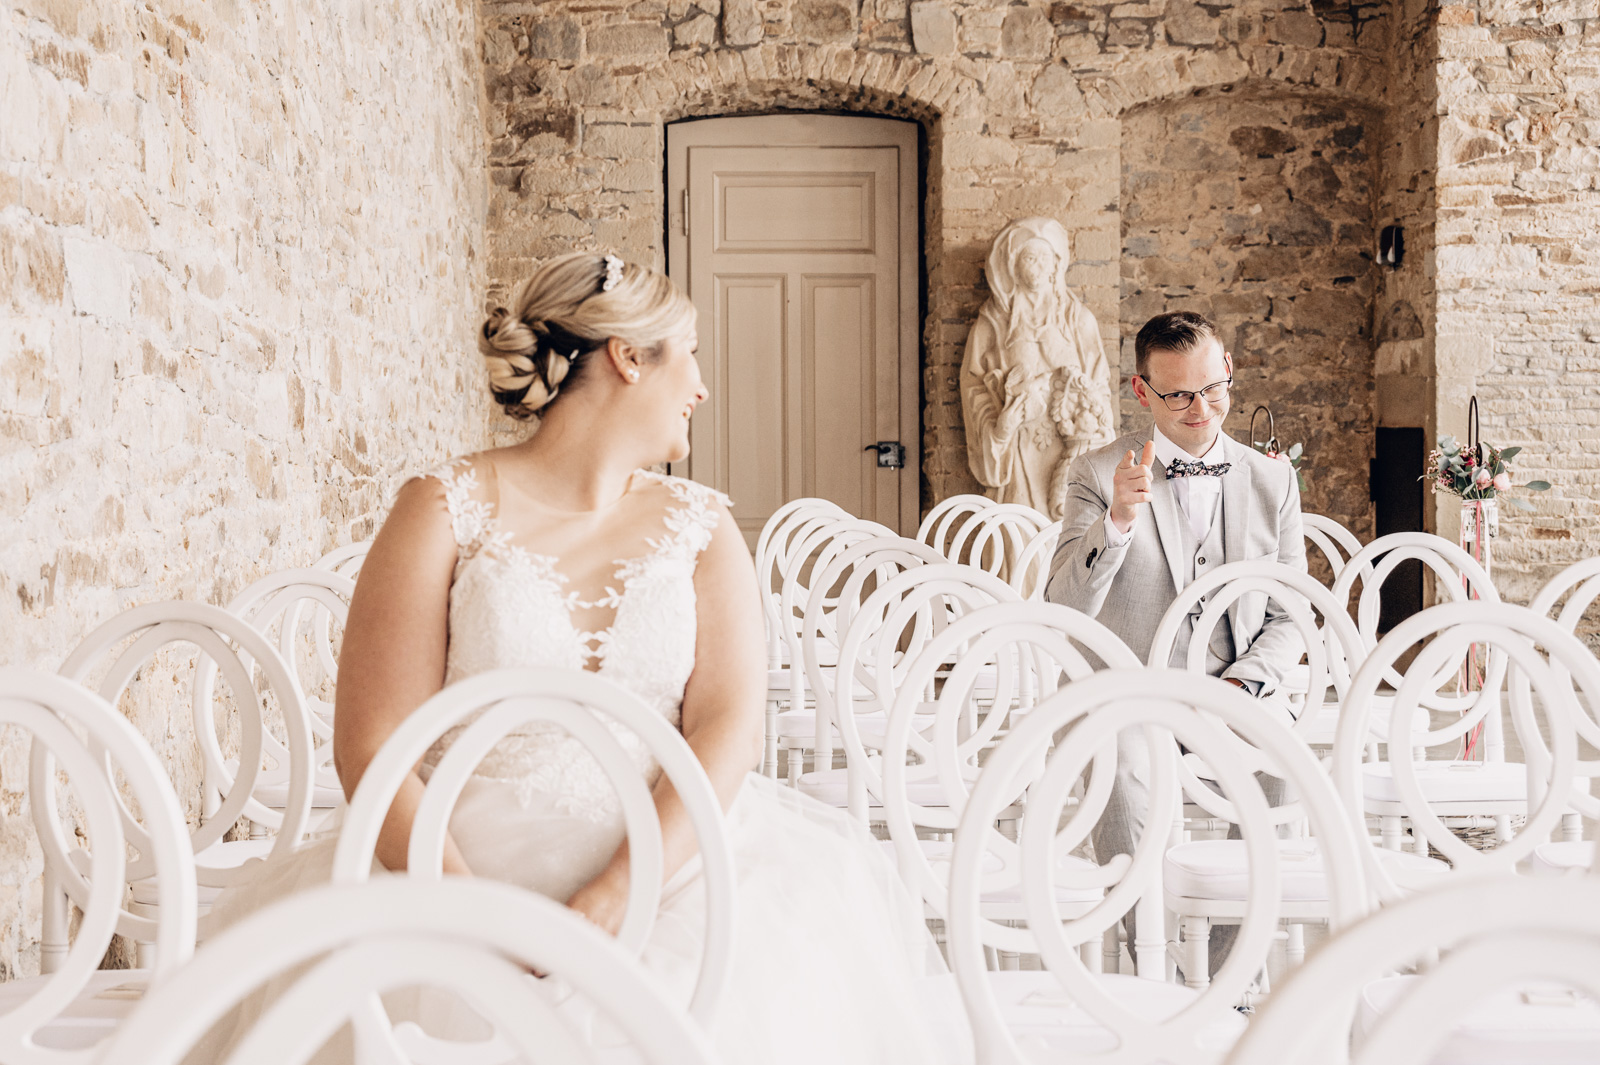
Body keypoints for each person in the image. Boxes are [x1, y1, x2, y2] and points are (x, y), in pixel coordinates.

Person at [210, 252, 947, 1064]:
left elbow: (727, 727)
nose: (701, 384)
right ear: (630, 357)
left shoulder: (703, 528)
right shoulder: (440, 508)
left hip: (677, 872)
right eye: (690, 351)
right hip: (452, 875)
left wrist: (623, 886)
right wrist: (468, 911)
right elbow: (374, 743)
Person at [1043, 310, 1306, 972]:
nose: (1201, 407)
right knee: (1126, 772)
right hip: (1127, 690)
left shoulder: (1272, 479)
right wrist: (1119, 520)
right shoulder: (1097, 471)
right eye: (1179, 393)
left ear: (1229, 374)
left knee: (1282, 762)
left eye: (1213, 387)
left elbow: (1291, 610)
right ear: (1141, 392)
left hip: (1232, 684)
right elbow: (1064, 606)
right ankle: (1153, 952)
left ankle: (1220, 965)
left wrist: (1243, 683)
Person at [960, 217, 1117, 519]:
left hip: (1070, 447)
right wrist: (1000, 427)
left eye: (1044, 257)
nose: (1038, 266)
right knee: (1020, 542)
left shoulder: (1077, 320)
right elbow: (974, 386)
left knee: (1069, 535)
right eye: (1029, 257)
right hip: (1017, 450)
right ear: (1013, 265)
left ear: (1057, 265)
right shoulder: (994, 322)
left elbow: (1098, 385)